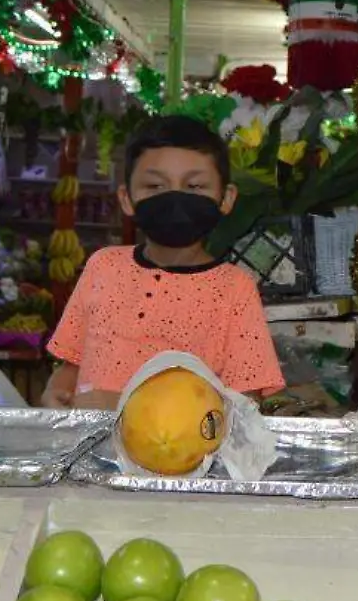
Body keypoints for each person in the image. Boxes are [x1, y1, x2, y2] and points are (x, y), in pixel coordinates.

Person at [43, 115, 284, 408]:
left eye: (194, 186)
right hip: (87, 450)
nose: (174, 198)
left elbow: (244, 405)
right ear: (126, 198)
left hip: (184, 453)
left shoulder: (236, 289)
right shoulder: (102, 267)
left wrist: (120, 406)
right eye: (155, 186)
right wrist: (56, 391)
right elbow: (72, 364)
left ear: (226, 198)